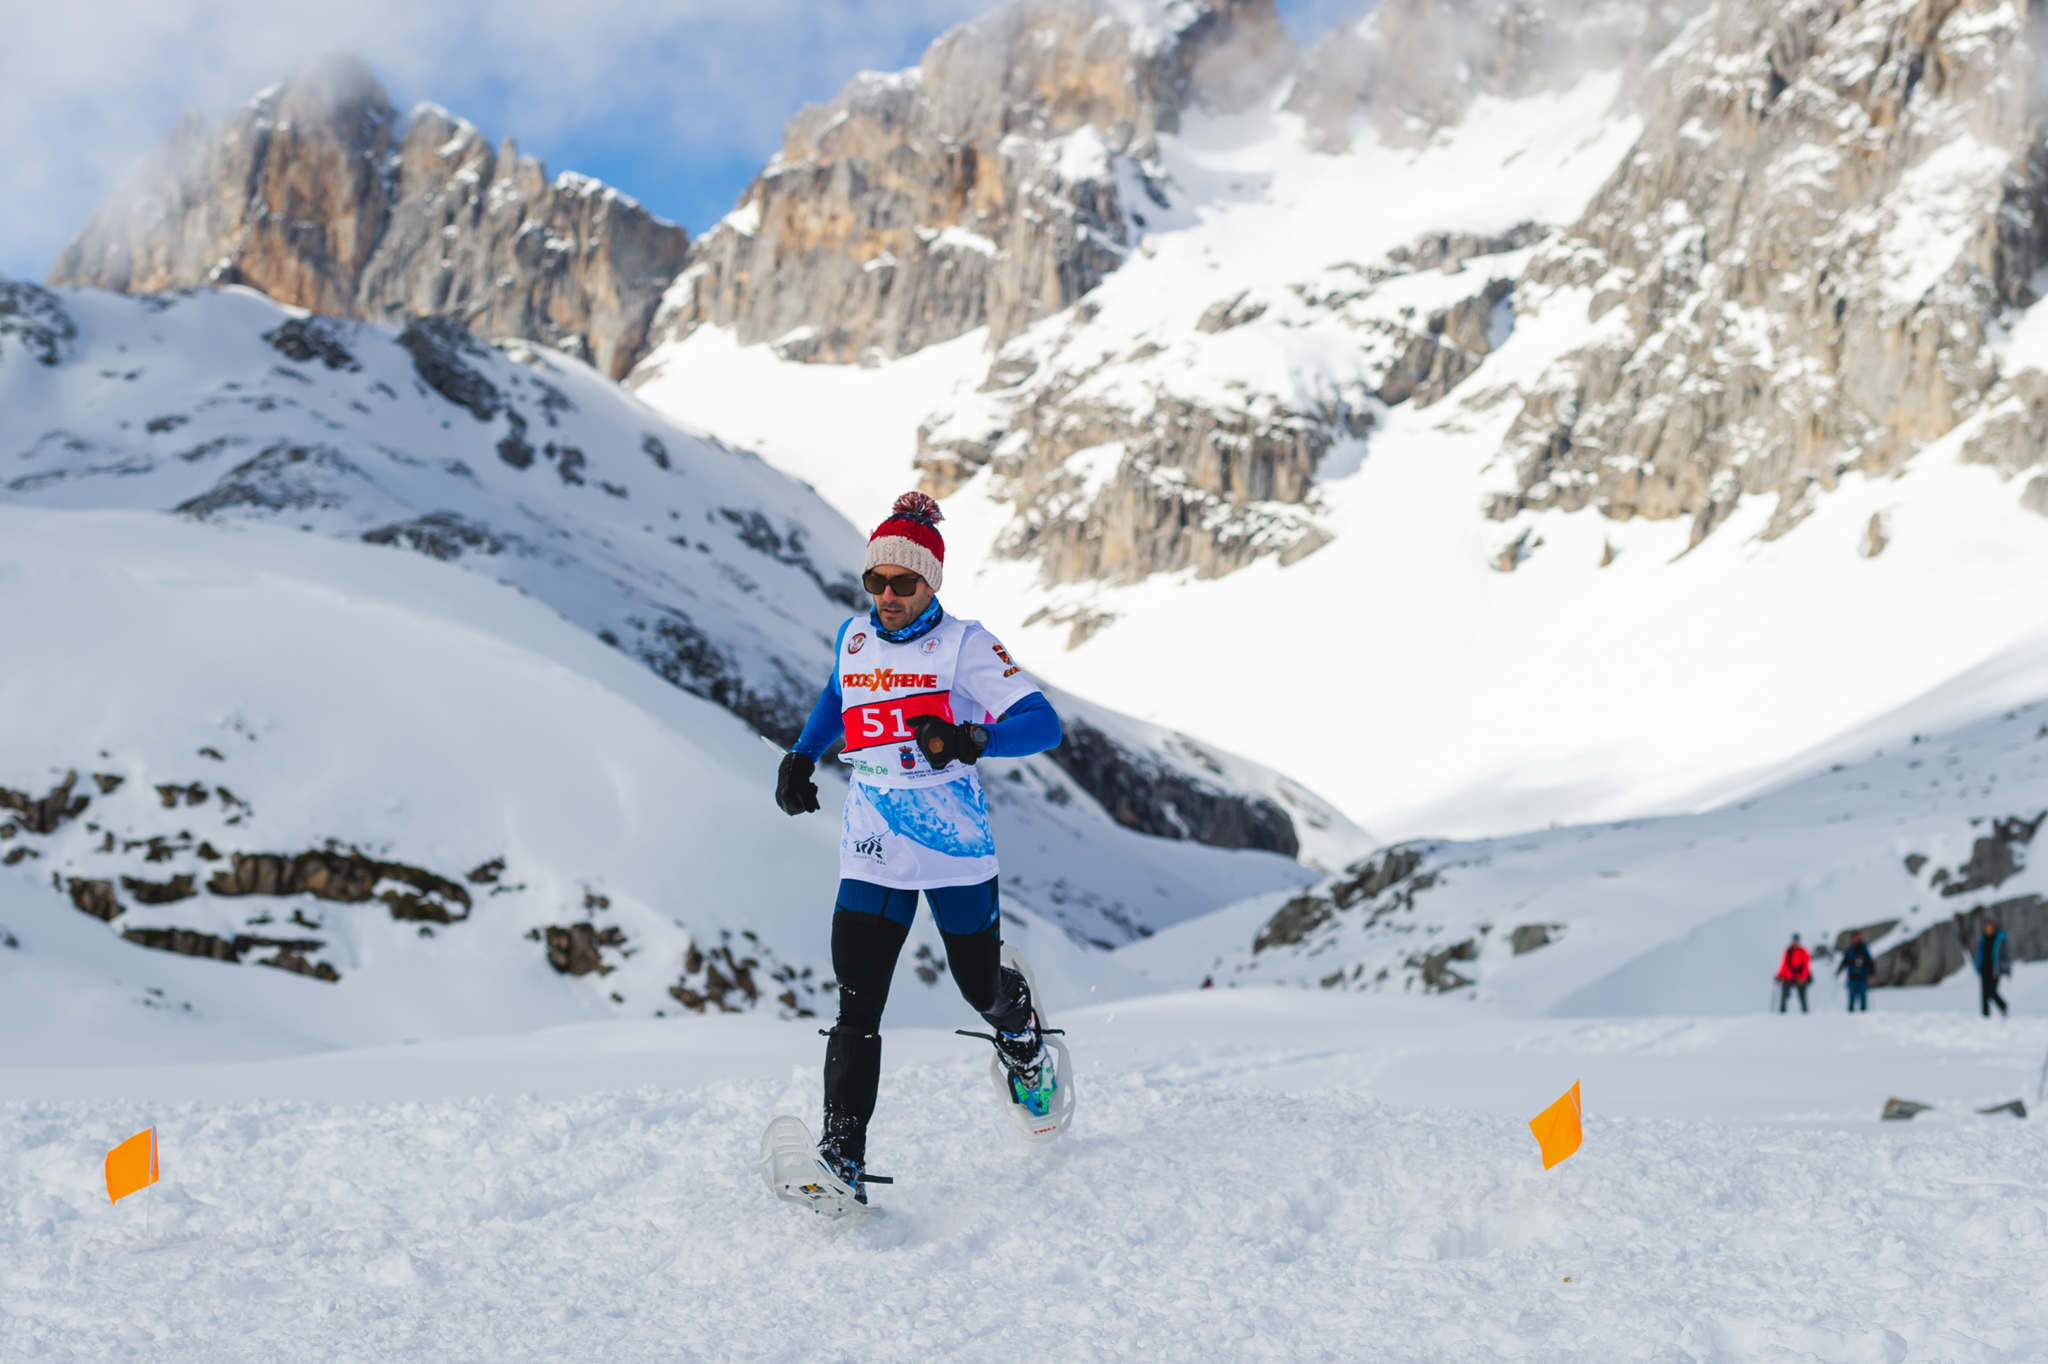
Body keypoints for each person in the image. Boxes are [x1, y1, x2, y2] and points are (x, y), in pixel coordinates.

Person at [773, 491, 1065, 1202]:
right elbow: (839, 697)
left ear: (931, 581)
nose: (887, 596)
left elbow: (1043, 723)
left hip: (953, 847)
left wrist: (976, 738)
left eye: (903, 582)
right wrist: (802, 755)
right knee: (856, 1003)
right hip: (872, 842)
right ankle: (840, 1160)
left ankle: (1021, 1032)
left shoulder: (965, 646)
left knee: (977, 988)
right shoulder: (855, 637)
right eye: (876, 581)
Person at [1976, 919, 2012, 1018]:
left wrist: (2008, 970)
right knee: (1984, 993)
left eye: (1989, 928)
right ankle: (1985, 1014)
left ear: (1993, 928)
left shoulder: (1999, 939)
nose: (1988, 930)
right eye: (1986, 928)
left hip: (1995, 970)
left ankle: (2003, 1006)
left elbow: (2006, 955)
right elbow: (1980, 954)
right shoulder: (1983, 940)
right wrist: (1978, 966)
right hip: (1984, 969)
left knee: (1992, 992)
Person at [1836, 931, 1874, 1012]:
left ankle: (1864, 1014)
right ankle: (1850, 1015)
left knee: (1863, 997)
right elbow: (1844, 961)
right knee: (1851, 997)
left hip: (1862, 977)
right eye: (1855, 937)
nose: (1856, 939)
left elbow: (1870, 962)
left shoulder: (1865, 949)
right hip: (1852, 977)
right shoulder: (1849, 950)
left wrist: (1871, 974)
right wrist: (1839, 970)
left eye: (1858, 937)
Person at [1776, 933, 1812, 1013]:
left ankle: (1805, 1013)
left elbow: (1806, 966)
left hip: (1801, 978)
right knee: (1784, 994)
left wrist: (1803, 977)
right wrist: (1780, 976)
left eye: (1797, 940)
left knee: (1802, 996)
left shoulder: (1803, 952)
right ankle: (1782, 1012)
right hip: (1789, 976)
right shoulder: (1788, 951)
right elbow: (1784, 964)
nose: (1795, 942)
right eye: (1794, 940)